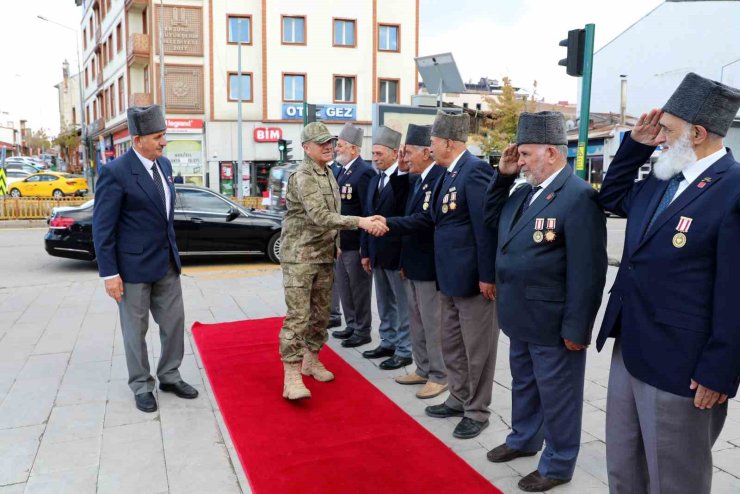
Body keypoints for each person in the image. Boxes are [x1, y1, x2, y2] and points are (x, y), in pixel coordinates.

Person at [596, 72, 740, 493]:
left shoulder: (732, 191)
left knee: (676, 477)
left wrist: (720, 369)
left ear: (696, 133)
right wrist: (634, 146)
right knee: (624, 463)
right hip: (631, 344)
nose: (658, 139)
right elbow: (610, 197)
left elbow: (735, 291)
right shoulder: (663, 179)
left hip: (684, 363)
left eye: (667, 131)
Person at [483, 112, 608, 492]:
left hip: (553, 321)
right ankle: (524, 438)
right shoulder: (521, 191)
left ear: (551, 152)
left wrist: (577, 327)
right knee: (524, 383)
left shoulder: (579, 196)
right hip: (519, 313)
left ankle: (558, 461)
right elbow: (490, 220)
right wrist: (503, 176)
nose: (519, 160)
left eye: (524, 154)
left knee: (559, 395)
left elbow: (589, 270)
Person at [375, 110, 499, 439]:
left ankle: (477, 410)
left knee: (477, 351)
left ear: (447, 142)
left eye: (432, 142)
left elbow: (485, 228)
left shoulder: (475, 172)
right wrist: (388, 223)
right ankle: (458, 398)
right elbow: (428, 219)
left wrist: (488, 275)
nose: (429, 148)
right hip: (448, 278)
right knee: (453, 345)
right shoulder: (448, 174)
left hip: (472, 281)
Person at [93, 105, 197, 413]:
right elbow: (103, 227)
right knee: (135, 331)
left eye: (164, 135)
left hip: (166, 264)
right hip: (132, 269)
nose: (163, 142)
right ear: (138, 140)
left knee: (174, 324)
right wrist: (109, 274)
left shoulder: (164, 165)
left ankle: (169, 375)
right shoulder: (116, 172)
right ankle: (141, 384)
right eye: (157, 137)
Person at [278, 122, 385, 400]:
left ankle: (311, 361)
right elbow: (321, 217)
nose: (328, 146)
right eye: (322, 143)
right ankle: (291, 375)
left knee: (321, 314)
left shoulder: (327, 173)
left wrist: (336, 245)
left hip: (324, 255)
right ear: (306, 148)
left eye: (330, 142)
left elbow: (331, 216)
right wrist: (361, 221)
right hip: (300, 257)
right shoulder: (303, 176)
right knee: (298, 317)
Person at [392, 124, 448, 399]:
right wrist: (402, 168)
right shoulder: (419, 178)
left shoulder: (438, 177)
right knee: (416, 320)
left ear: (428, 152)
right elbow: (399, 199)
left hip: (429, 266)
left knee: (432, 322)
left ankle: (440, 374)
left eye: (410, 152)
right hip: (413, 263)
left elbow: (425, 220)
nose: (406, 157)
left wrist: (386, 224)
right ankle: (423, 368)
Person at [357, 126, 413, 370]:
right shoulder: (375, 179)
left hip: (398, 254)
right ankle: (388, 341)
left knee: (403, 305)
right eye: (373, 153)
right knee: (383, 302)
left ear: (393, 153)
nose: (375, 158)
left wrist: (405, 260)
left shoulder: (406, 179)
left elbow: (407, 218)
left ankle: (404, 349)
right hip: (377, 253)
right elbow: (367, 216)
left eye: (379, 153)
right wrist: (366, 252)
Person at [331, 123, 376, 345]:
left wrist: (364, 246)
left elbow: (368, 210)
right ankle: (351, 324)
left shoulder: (364, 172)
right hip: (341, 242)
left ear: (354, 149)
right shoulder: (342, 171)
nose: (336, 149)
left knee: (359, 290)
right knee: (345, 288)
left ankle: (363, 329)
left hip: (356, 243)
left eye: (340, 145)